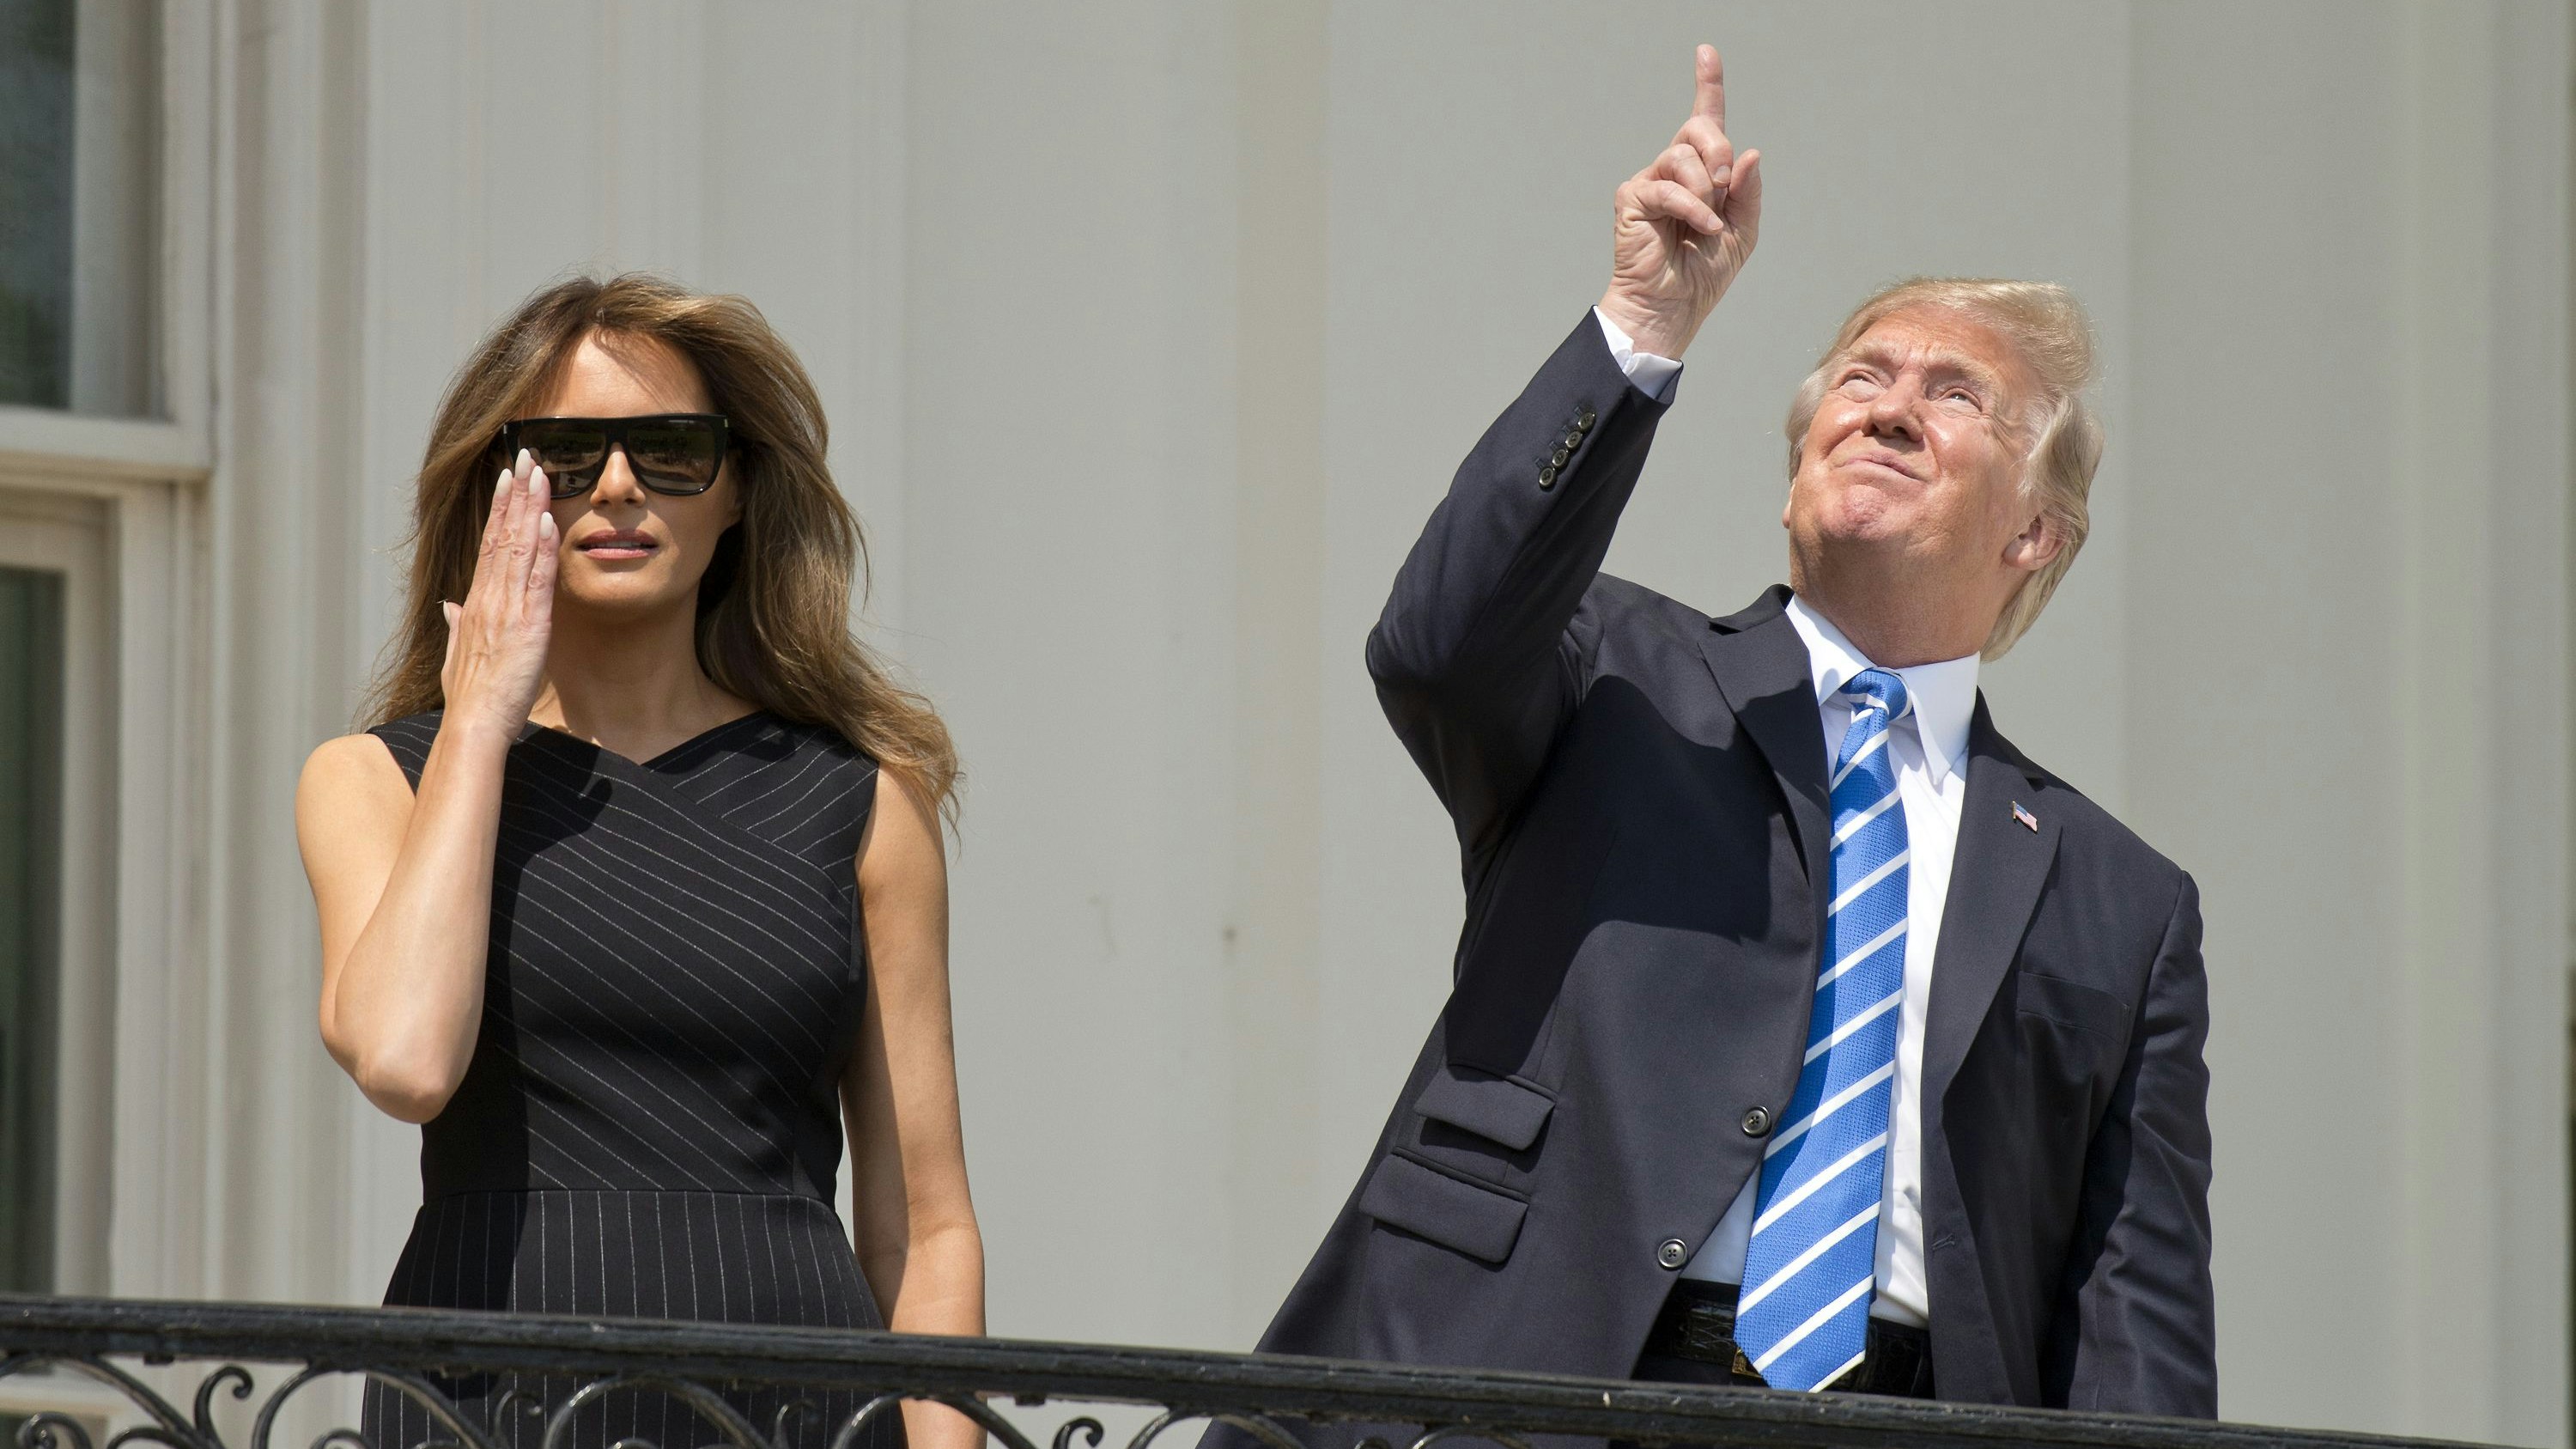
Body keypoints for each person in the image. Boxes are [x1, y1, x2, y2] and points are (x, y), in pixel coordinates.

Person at [1247, 45, 2212, 1422]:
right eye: (1862, 377)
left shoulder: (2122, 902)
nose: (1885, 401)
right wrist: (1647, 319)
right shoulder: (1617, 674)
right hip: (1538, 1386)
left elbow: (2141, 1314)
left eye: (1954, 394)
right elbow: (1435, 641)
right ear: (1796, 472)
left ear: (2036, 534)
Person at [295, 276, 982, 1449]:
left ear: (738, 495)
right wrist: (478, 726)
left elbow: (923, 1225)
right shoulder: (375, 781)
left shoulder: (864, 799)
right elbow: (406, 1062)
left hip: (796, 1403)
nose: (617, 487)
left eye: (671, 449)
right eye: (563, 456)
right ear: (494, 498)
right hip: (490, 1397)